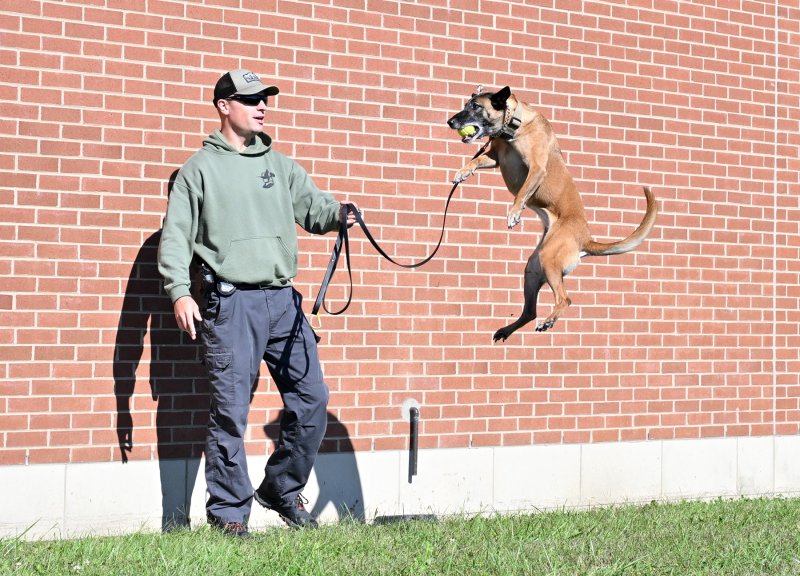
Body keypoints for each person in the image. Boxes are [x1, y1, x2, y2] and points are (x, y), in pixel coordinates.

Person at [157, 69, 356, 538]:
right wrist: (179, 292)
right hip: (230, 305)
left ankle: (281, 488)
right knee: (230, 411)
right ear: (223, 106)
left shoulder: (280, 164)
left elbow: (315, 208)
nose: (261, 105)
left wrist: (339, 215)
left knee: (312, 400)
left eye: (264, 98)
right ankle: (229, 513)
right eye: (249, 99)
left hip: (283, 302)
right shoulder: (197, 171)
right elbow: (176, 238)